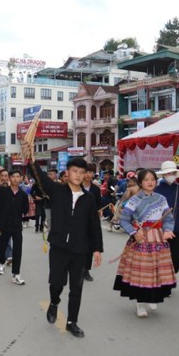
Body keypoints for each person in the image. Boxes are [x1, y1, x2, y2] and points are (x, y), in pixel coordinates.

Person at [22, 141, 103, 338]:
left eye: (81, 172)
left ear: (85, 175)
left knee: (77, 287)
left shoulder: (89, 198)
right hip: (59, 245)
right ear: (67, 172)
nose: (77, 175)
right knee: (56, 283)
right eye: (74, 171)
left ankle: (71, 321)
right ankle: (54, 302)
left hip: (80, 250)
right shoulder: (56, 191)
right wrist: (30, 158)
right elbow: (39, 177)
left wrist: (96, 249)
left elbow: (94, 225)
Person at [114, 169, 177, 318]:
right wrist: (134, 233)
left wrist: (168, 230)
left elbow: (168, 218)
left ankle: (153, 297)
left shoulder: (161, 199)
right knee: (142, 271)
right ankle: (140, 303)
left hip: (158, 238)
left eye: (153, 179)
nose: (150, 182)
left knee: (156, 269)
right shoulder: (134, 200)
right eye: (146, 180)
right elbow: (124, 219)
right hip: (141, 238)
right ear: (140, 182)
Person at [155, 161, 179, 274]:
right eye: (168, 173)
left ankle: (170, 275)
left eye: (173, 172)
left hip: (177, 228)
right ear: (163, 174)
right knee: (159, 258)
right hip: (159, 229)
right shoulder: (156, 189)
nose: (171, 175)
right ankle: (164, 281)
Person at [0, 169, 29, 285]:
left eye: (18, 177)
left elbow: (25, 210)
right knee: (2, 247)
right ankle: (2, 263)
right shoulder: (2, 191)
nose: (15, 179)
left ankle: (16, 274)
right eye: (13, 177)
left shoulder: (23, 195)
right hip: (3, 225)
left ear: (21, 178)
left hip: (16, 225)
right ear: (9, 178)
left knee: (18, 250)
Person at [81, 163, 102, 282]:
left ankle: (86, 270)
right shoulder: (76, 187)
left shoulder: (95, 189)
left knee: (89, 247)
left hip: (91, 223)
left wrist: (98, 211)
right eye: (86, 172)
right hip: (77, 222)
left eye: (90, 172)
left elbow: (99, 204)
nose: (88, 175)